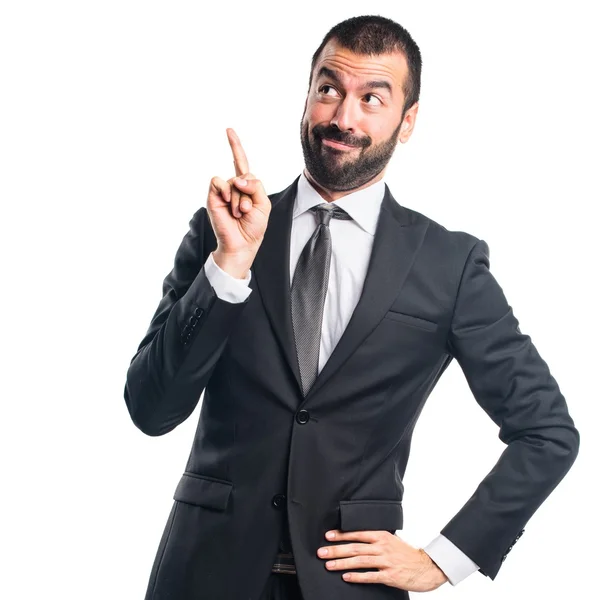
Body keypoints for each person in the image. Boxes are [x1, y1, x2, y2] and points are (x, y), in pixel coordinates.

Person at [123, 15, 579, 600]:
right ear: (307, 93)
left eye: (372, 98)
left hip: (352, 588)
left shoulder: (449, 264)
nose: (343, 117)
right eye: (329, 89)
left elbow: (546, 432)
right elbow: (150, 408)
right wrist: (230, 265)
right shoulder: (222, 232)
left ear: (407, 121)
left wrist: (443, 561)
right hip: (202, 576)